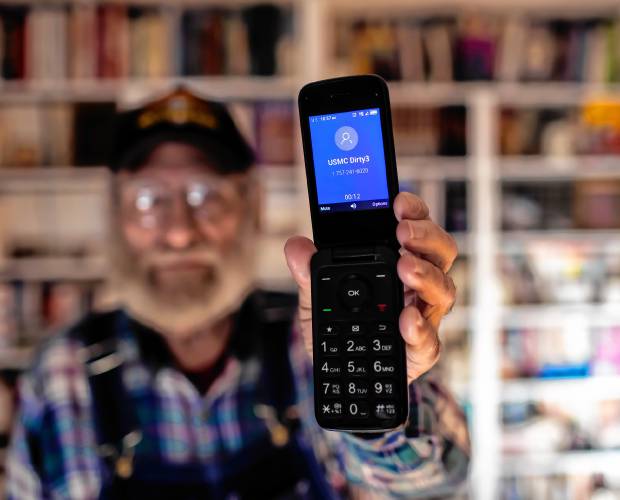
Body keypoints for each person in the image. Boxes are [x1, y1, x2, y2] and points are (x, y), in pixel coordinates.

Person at [6, 87, 470, 499]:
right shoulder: (57, 376)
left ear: (253, 209)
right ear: (116, 218)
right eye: (147, 199)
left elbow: (440, 479)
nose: (179, 234)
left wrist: (382, 408)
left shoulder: (314, 342)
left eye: (207, 195)